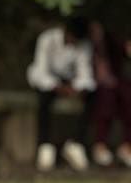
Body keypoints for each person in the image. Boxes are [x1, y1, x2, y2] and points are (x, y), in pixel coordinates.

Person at [26, 16, 96, 171]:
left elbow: (85, 72)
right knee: (44, 99)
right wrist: (58, 87)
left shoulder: (84, 45)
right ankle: (45, 145)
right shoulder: (47, 39)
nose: (73, 43)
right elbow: (41, 70)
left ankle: (76, 142)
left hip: (70, 80)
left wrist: (79, 88)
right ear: (65, 32)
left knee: (92, 97)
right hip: (46, 79)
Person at [88, 21, 131, 168]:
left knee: (127, 98)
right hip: (94, 86)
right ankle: (100, 147)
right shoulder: (86, 45)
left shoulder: (113, 43)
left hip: (116, 83)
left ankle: (126, 147)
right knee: (105, 103)